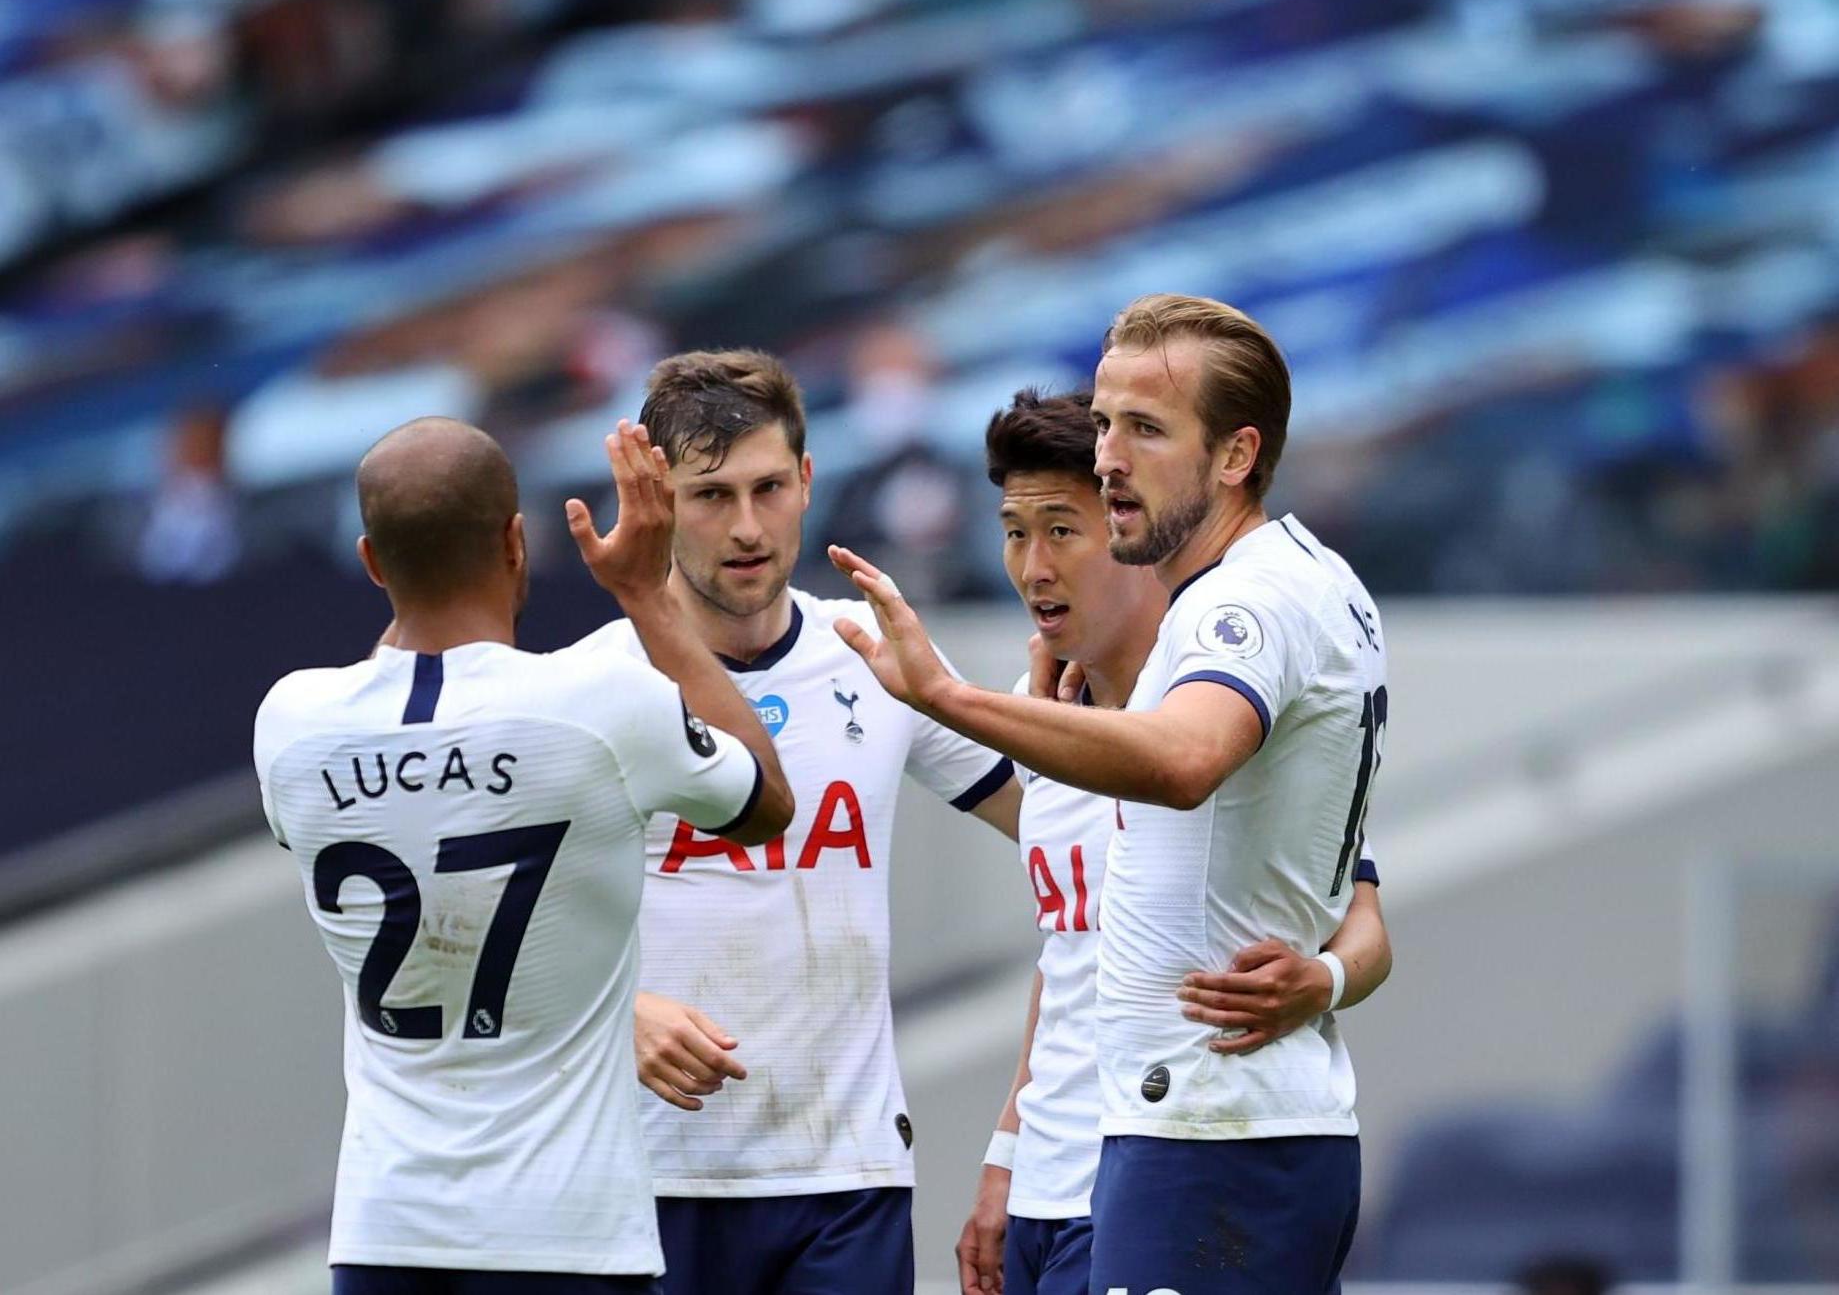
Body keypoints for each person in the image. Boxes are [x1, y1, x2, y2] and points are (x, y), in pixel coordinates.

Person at [830, 294, 1388, 1293]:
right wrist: (1006, 1151)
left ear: (1234, 456)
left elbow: (1180, 761)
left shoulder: (1245, 603)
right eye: (1106, 426)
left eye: (1146, 428)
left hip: (1210, 1128)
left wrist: (943, 696)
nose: (1110, 456)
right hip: (1175, 1130)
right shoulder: (1266, 593)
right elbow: (1084, 941)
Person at [253, 417, 793, 1294]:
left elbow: (401, 737)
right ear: (517, 541)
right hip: (565, 1233)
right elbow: (763, 803)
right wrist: (648, 595)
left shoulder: (291, 720)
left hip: (384, 1233)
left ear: (372, 562)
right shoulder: (597, 703)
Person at [565, 350, 1022, 1295]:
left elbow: (1064, 830)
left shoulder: (875, 652)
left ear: (807, 482)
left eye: (769, 487)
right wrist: (617, 1014)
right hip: (645, 1178)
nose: (746, 527)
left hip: (843, 1177)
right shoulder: (590, 685)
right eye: (709, 494)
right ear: (654, 498)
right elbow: (475, 921)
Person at [955, 389, 1394, 1295]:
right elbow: (1071, 948)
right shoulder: (1043, 711)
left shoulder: (1222, 702)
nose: (1034, 567)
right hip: (1049, 1177)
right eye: (1013, 532)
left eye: (1062, 531)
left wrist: (1326, 979)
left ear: (1126, 528)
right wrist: (1008, 1149)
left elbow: (1360, 915)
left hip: (1163, 1157)